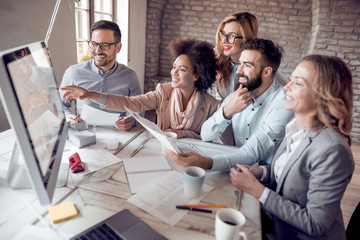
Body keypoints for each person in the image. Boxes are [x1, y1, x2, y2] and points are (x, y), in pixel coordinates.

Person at [229, 55, 354, 239]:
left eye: (298, 83)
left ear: (322, 95)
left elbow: (315, 224)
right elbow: (290, 173)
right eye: (290, 80)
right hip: (276, 227)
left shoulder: (333, 150)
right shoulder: (295, 127)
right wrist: (261, 173)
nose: (286, 87)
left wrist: (258, 190)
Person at [166, 38, 293, 171]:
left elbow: (251, 153)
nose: (239, 71)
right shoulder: (238, 93)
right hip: (233, 167)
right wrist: (227, 112)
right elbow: (206, 134)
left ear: (267, 72)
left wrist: (208, 163)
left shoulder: (283, 104)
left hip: (263, 176)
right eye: (240, 63)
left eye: (247, 65)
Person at [61, 38, 218, 139]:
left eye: (182, 70)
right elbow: (129, 103)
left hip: (195, 158)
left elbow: (210, 138)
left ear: (196, 75)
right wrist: (91, 95)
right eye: (173, 67)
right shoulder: (163, 92)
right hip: (165, 152)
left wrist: (184, 133)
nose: (173, 73)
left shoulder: (211, 105)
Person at [59, 20, 142, 131]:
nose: (97, 51)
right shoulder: (73, 73)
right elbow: (60, 107)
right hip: (83, 135)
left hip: (119, 138)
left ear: (118, 47)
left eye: (104, 46)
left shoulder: (130, 76)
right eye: (94, 44)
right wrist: (69, 118)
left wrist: (131, 120)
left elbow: (139, 108)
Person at [214, 12, 288, 102]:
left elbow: (287, 89)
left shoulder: (261, 65)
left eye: (231, 36)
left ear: (245, 39)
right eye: (223, 34)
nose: (223, 40)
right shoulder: (216, 56)